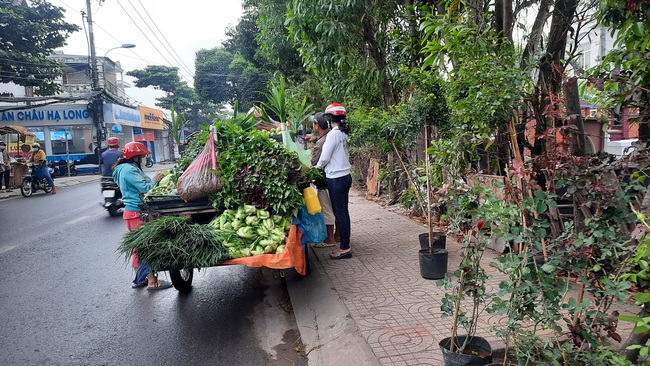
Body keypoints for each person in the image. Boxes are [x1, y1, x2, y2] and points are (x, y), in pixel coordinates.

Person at [112, 141, 172, 290]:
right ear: (135, 157)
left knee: (137, 248)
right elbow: (145, 188)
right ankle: (152, 282)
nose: (144, 159)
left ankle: (140, 279)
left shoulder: (126, 168)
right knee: (145, 246)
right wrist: (156, 180)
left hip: (133, 212)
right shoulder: (128, 170)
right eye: (142, 156)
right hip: (135, 212)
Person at [316, 103, 353, 259]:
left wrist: (317, 167)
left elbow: (324, 157)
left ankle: (344, 248)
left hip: (336, 179)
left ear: (330, 118)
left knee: (340, 213)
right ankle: (344, 244)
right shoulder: (343, 133)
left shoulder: (332, 134)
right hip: (346, 176)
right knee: (343, 212)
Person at [305, 112, 338, 247]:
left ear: (316, 125)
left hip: (324, 181)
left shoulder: (321, 143)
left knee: (327, 209)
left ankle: (330, 239)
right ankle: (338, 235)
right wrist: (314, 139)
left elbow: (315, 162)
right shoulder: (330, 135)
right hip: (336, 178)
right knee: (337, 209)